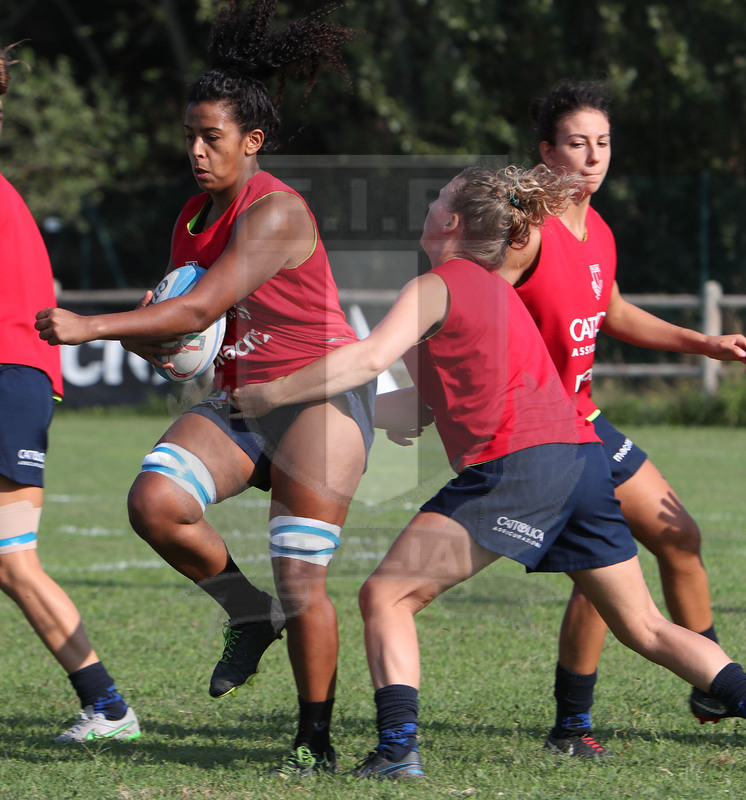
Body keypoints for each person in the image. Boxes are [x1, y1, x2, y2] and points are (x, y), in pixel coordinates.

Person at [226, 163, 746, 779]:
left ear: (451, 221)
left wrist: (273, 393)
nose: (429, 206)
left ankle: (397, 750)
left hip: (516, 466)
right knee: (646, 626)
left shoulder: (437, 284)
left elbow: (365, 359)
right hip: (581, 462)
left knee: (385, 595)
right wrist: (342, 416)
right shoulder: (501, 292)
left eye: (437, 199)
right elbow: (419, 405)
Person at [35, 1, 370, 775]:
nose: (195, 150)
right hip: (244, 401)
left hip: (319, 400)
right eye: (188, 134)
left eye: (210, 137)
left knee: (301, 576)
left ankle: (313, 740)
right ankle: (247, 615)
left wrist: (92, 326)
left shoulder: (278, 210)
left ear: (252, 142)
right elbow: (182, 327)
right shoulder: (191, 218)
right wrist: (160, 345)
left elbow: (199, 307)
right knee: (155, 502)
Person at [497, 81, 746, 759]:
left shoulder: (597, 228)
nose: (592, 156)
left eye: (602, 143)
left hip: (586, 419)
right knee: (607, 570)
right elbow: (465, 299)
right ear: (546, 151)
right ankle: (573, 728)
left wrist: (705, 343)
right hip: (539, 435)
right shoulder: (526, 230)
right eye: (576, 143)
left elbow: (610, 310)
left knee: (679, 538)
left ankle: (710, 679)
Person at [0, 43, 140, 743]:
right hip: (20, 382)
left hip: (5, 381)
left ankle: (111, 707)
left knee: (13, 558)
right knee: (9, 558)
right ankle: (107, 705)